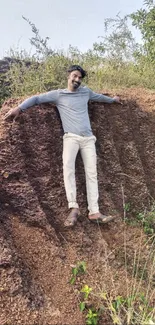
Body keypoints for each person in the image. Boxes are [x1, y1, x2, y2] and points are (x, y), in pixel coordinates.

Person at [5, 65, 122, 227]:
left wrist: (113, 100)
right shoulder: (58, 95)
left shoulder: (85, 92)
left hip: (88, 139)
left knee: (92, 173)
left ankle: (94, 211)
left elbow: (100, 97)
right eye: (75, 76)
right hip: (71, 138)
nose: (77, 80)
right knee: (68, 170)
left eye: (80, 78)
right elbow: (37, 99)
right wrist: (19, 108)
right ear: (68, 76)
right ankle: (74, 207)